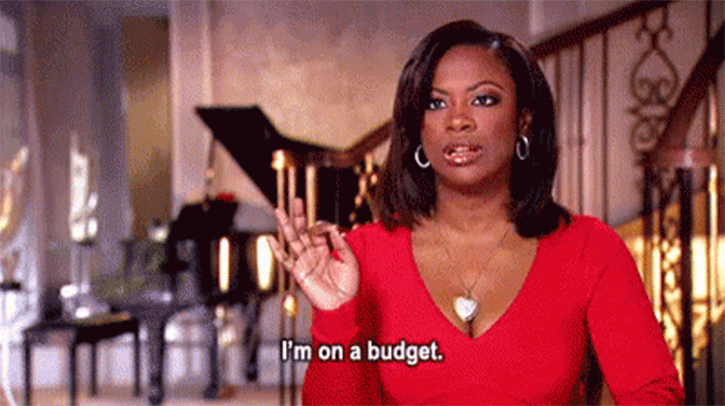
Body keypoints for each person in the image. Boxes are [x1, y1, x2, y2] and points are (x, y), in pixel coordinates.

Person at [268, 20, 684, 405]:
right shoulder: (362, 255)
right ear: (418, 128)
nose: (458, 120)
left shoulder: (589, 248)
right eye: (436, 103)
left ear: (524, 121)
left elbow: (655, 394)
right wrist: (335, 316)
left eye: (483, 99)